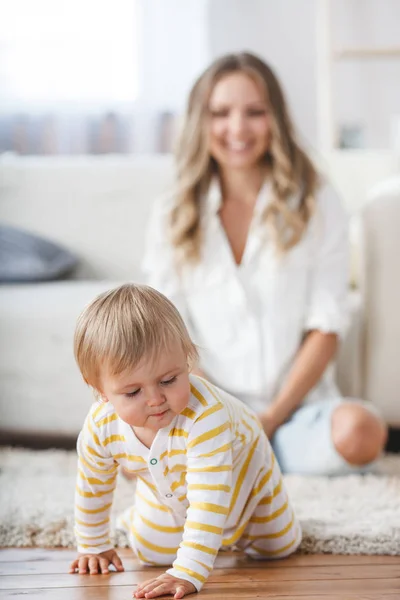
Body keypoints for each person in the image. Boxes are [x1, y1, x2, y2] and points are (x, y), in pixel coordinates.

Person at [142, 52, 387, 476]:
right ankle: (239, 461)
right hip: (204, 413)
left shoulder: (317, 201)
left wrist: (269, 419)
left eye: (254, 112)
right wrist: (218, 418)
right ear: (201, 121)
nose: (237, 128)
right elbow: (168, 334)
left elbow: (327, 326)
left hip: (294, 415)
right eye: (221, 113)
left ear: (276, 119)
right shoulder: (173, 211)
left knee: (362, 432)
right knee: (129, 441)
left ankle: (253, 461)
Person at [69, 284, 301, 599]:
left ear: (187, 359)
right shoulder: (101, 425)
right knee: (151, 552)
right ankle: (143, 518)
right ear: (99, 389)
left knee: (278, 547)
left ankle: (227, 534)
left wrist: (189, 571)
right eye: (133, 392)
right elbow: (92, 485)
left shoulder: (206, 415)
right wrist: (93, 544)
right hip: (170, 489)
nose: (155, 400)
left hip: (247, 486)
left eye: (168, 380)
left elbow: (209, 497)